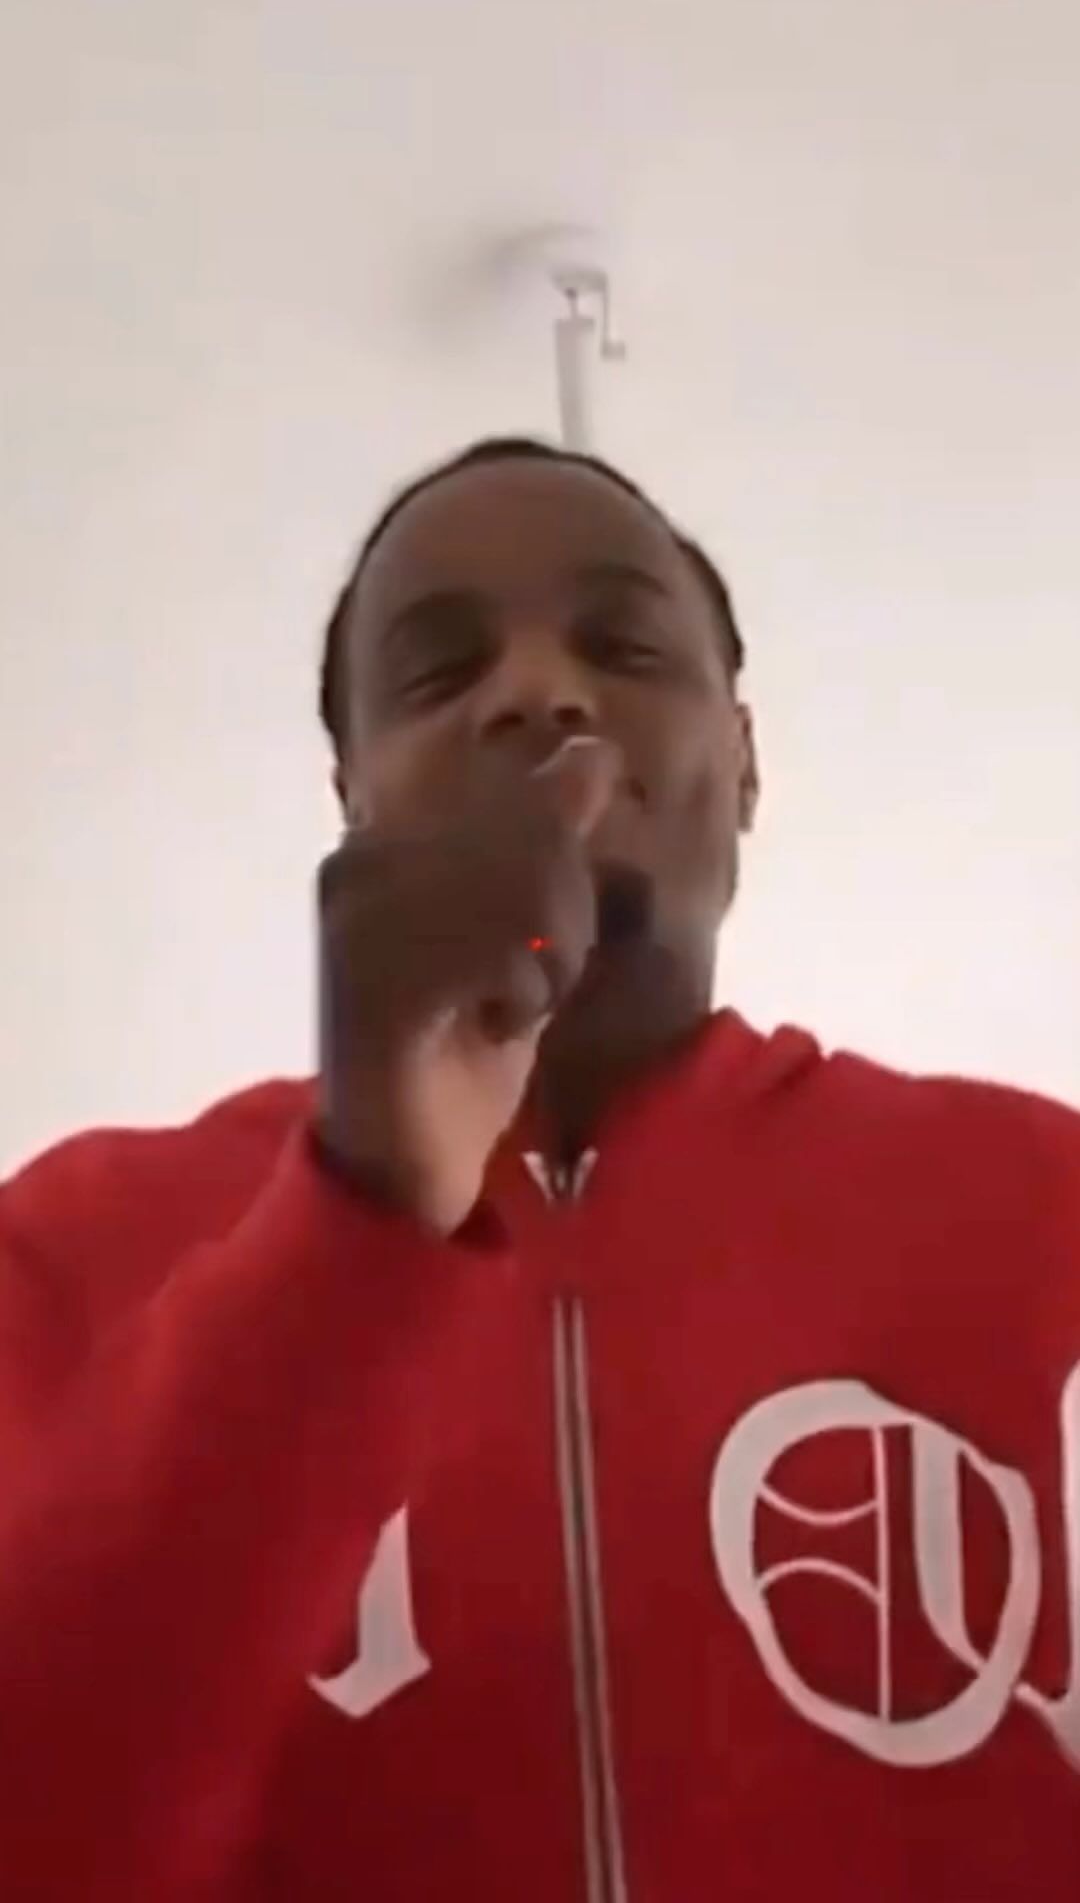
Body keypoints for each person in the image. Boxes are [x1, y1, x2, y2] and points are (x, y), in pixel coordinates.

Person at [0, 436, 1077, 1903]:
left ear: (745, 764)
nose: (537, 692)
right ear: (352, 795)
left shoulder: (1042, 1211)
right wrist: (355, 1221)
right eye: (440, 674)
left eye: (623, 646)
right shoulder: (79, 1248)